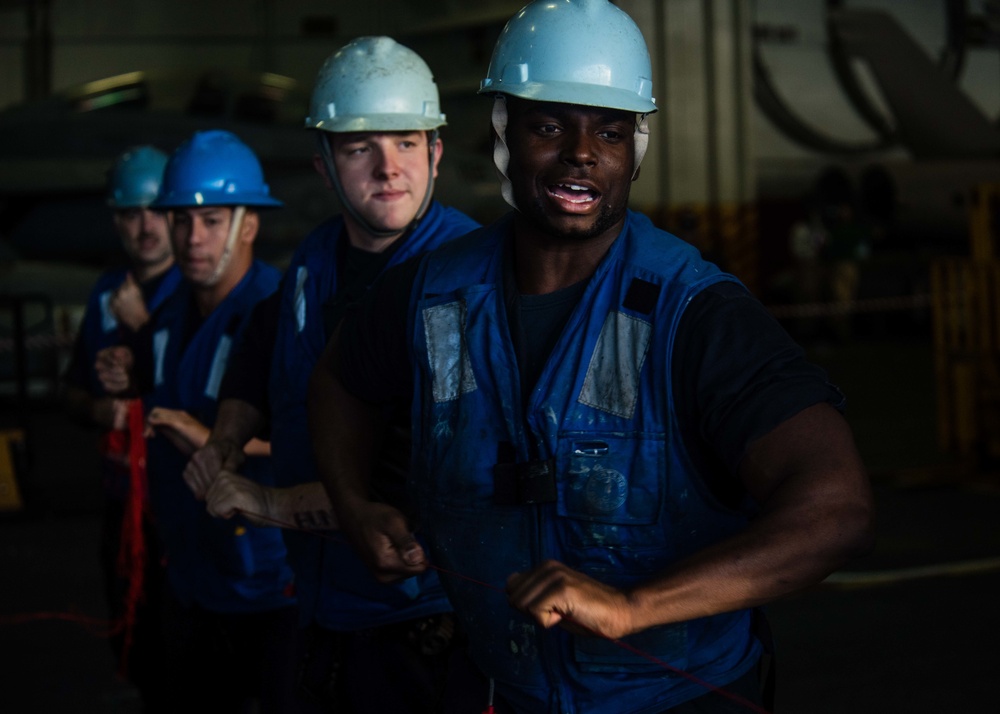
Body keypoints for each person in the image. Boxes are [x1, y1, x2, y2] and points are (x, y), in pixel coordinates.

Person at [309, 2, 875, 713]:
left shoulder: (692, 313)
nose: (582, 153)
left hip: (674, 698)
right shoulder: (431, 293)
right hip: (498, 687)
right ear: (503, 135)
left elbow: (836, 507)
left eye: (609, 132)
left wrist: (633, 606)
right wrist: (354, 503)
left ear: (633, 150)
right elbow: (340, 380)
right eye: (549, 127)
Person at [185, 37, 479, 712]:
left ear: (436, 150)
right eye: (358, 148)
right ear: (324, 165)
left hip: (422, 629)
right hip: (324, 610)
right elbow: (264, 350)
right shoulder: (316, 260)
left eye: (406, 142)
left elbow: (411, 498)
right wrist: (225, 439)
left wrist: (262, 503)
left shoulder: (462, 282)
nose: (388, 168)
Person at [95, 130, 303, 713]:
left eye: (210, 221)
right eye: (180, 222)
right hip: (188, 574)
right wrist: (125, 371)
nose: (190, 239)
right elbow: (162, 387)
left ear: (249, 225)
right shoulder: (167, 314)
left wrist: (215, 442)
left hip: (267, 583)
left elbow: (312, 436)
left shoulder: (280, 313)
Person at [62, 144, 180, 711]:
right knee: (127, 614)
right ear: (116, 220)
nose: (145, 226)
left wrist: (144, 329)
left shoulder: (192, 290)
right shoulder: (105, 292)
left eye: (156, 211)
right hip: (121, 494)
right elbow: (71, 391)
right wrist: (100, 410)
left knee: (181, 633)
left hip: (178, 496)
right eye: (131, 214)